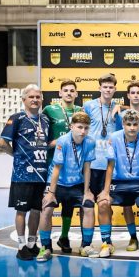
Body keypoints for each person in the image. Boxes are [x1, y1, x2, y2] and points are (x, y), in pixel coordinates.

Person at [0, 84, 50, 260]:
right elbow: (2, 143)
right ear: (24, 100)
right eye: (31, 97)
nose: (35, 100)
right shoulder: (17, 118)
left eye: (38, 97)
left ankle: (31, 244)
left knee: (36, 211)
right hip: (23, 175)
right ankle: (21, 247)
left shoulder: (45, 120)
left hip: (41, 174)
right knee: (21, 211)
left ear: (42, 99)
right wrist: (16, 155)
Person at [36, 112, 95, 262]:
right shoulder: (63, 141)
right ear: (71, 126)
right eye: (79, 127)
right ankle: (45, 247)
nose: (82, 131)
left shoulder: (90, 142)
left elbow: (87, 167)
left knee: (88, 206)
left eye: (86, 128)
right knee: (47, 207)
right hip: (58, 182)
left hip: (77, 183)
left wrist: (87, 191)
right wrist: (51, 192)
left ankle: (86, 245)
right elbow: (56, 168)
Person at [104, 109, 139, 257]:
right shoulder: (114, 138)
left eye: (135, 124)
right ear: (123, 124)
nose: (132, 128)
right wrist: (105, 190)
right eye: (128, 124)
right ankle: (109, 242)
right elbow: (110, 166)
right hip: (119, 181)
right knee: (103, 202)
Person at [82, 73, 121, 257]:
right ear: (99, 88)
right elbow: (80, 130)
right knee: (88, 204)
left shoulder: (118, 108)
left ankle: (107, 242)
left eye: (111, 87)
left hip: (109, 166)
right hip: (91, 164)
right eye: (105, 87)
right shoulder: (89, 106)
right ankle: (86, 243)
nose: (108, 90)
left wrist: (121, 108)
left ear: (115, 89)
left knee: (105, 204)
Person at [42, 79, 83, 253]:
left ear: (76, 94)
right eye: (65, 90)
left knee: (69, 206)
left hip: (74, 168)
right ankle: (45, 244)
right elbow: (41, 136)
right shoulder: (49, 110)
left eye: (71, 90)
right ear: (59, 93)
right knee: (48, 205)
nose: (68, 93)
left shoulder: (81, 111)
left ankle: (64, 237)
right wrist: (55, 143)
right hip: (53, 166)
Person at [115, 81, 139, 251]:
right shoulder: (120, 113)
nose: (136, 95)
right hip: (124, 167)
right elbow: (119, 135)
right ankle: (133, 238)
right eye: (133, 92)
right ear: (128, 95)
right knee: (126, 204)